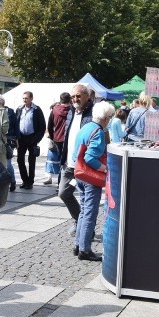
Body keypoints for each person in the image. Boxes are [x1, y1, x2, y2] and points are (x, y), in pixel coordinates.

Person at [71, 101, 115, 261]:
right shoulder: (97, 131)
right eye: (109, 117)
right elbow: (90, 157)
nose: (109, 120)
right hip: (90, 177)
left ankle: (78, 245)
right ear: (104, 118)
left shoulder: (86, 127)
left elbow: (78, 153)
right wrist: (104, 168)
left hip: (80, 174)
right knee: (90, 212)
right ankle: (84, 249)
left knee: (83, 210)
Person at [59, 84, 93, 236]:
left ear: (86, 96)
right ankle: (79, 220)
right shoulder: (71, 112)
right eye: (73, 96)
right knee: (63, 193)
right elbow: (67, 135)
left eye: (78, 96)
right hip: (69, 163)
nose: (75, 99)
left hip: (84, 164)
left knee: (86, 200)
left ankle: (86, 230)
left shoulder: (93, 113)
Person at [15, 91, 46, 189]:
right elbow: (16, 123)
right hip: (21, 138)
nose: (24, 100)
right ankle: (24, 180)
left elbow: (42, 126)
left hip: (32, 138)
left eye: (26, 98)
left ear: (31, 99)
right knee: (20, 160)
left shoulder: (36, 110)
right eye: (23, 98)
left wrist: (37, 139)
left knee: (31, 161)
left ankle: (30, 182)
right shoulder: (19, 109)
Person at [44, 92, 71, 185]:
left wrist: (52, 137)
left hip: (58, 138)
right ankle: (66, 183)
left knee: (60, 162)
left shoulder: (55, 110)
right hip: (69, 138)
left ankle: (60, 184)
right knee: (69, 162)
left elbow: (50, 125)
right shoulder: (72, 110)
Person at [0, 96, 18, 192]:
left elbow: (15, 125)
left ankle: (12, 181)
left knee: (7, 163)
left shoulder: (10, 112)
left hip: (8, 139)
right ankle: (3, 183)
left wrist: (16, 139)